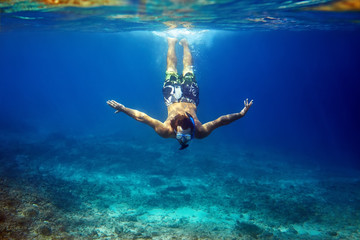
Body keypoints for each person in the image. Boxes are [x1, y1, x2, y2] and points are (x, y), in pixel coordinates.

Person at [107, 38, 253, 150]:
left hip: (172, 99)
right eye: (186, 136)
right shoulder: (200, 131)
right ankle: (185, 44)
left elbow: (143, 118)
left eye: (184, 135)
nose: (185, 138)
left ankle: (171, 42)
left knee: (171, 69)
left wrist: (124, 109)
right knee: (188, 69)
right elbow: (221, 121)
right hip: (191, 98)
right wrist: (241, 114)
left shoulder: (165, 130)